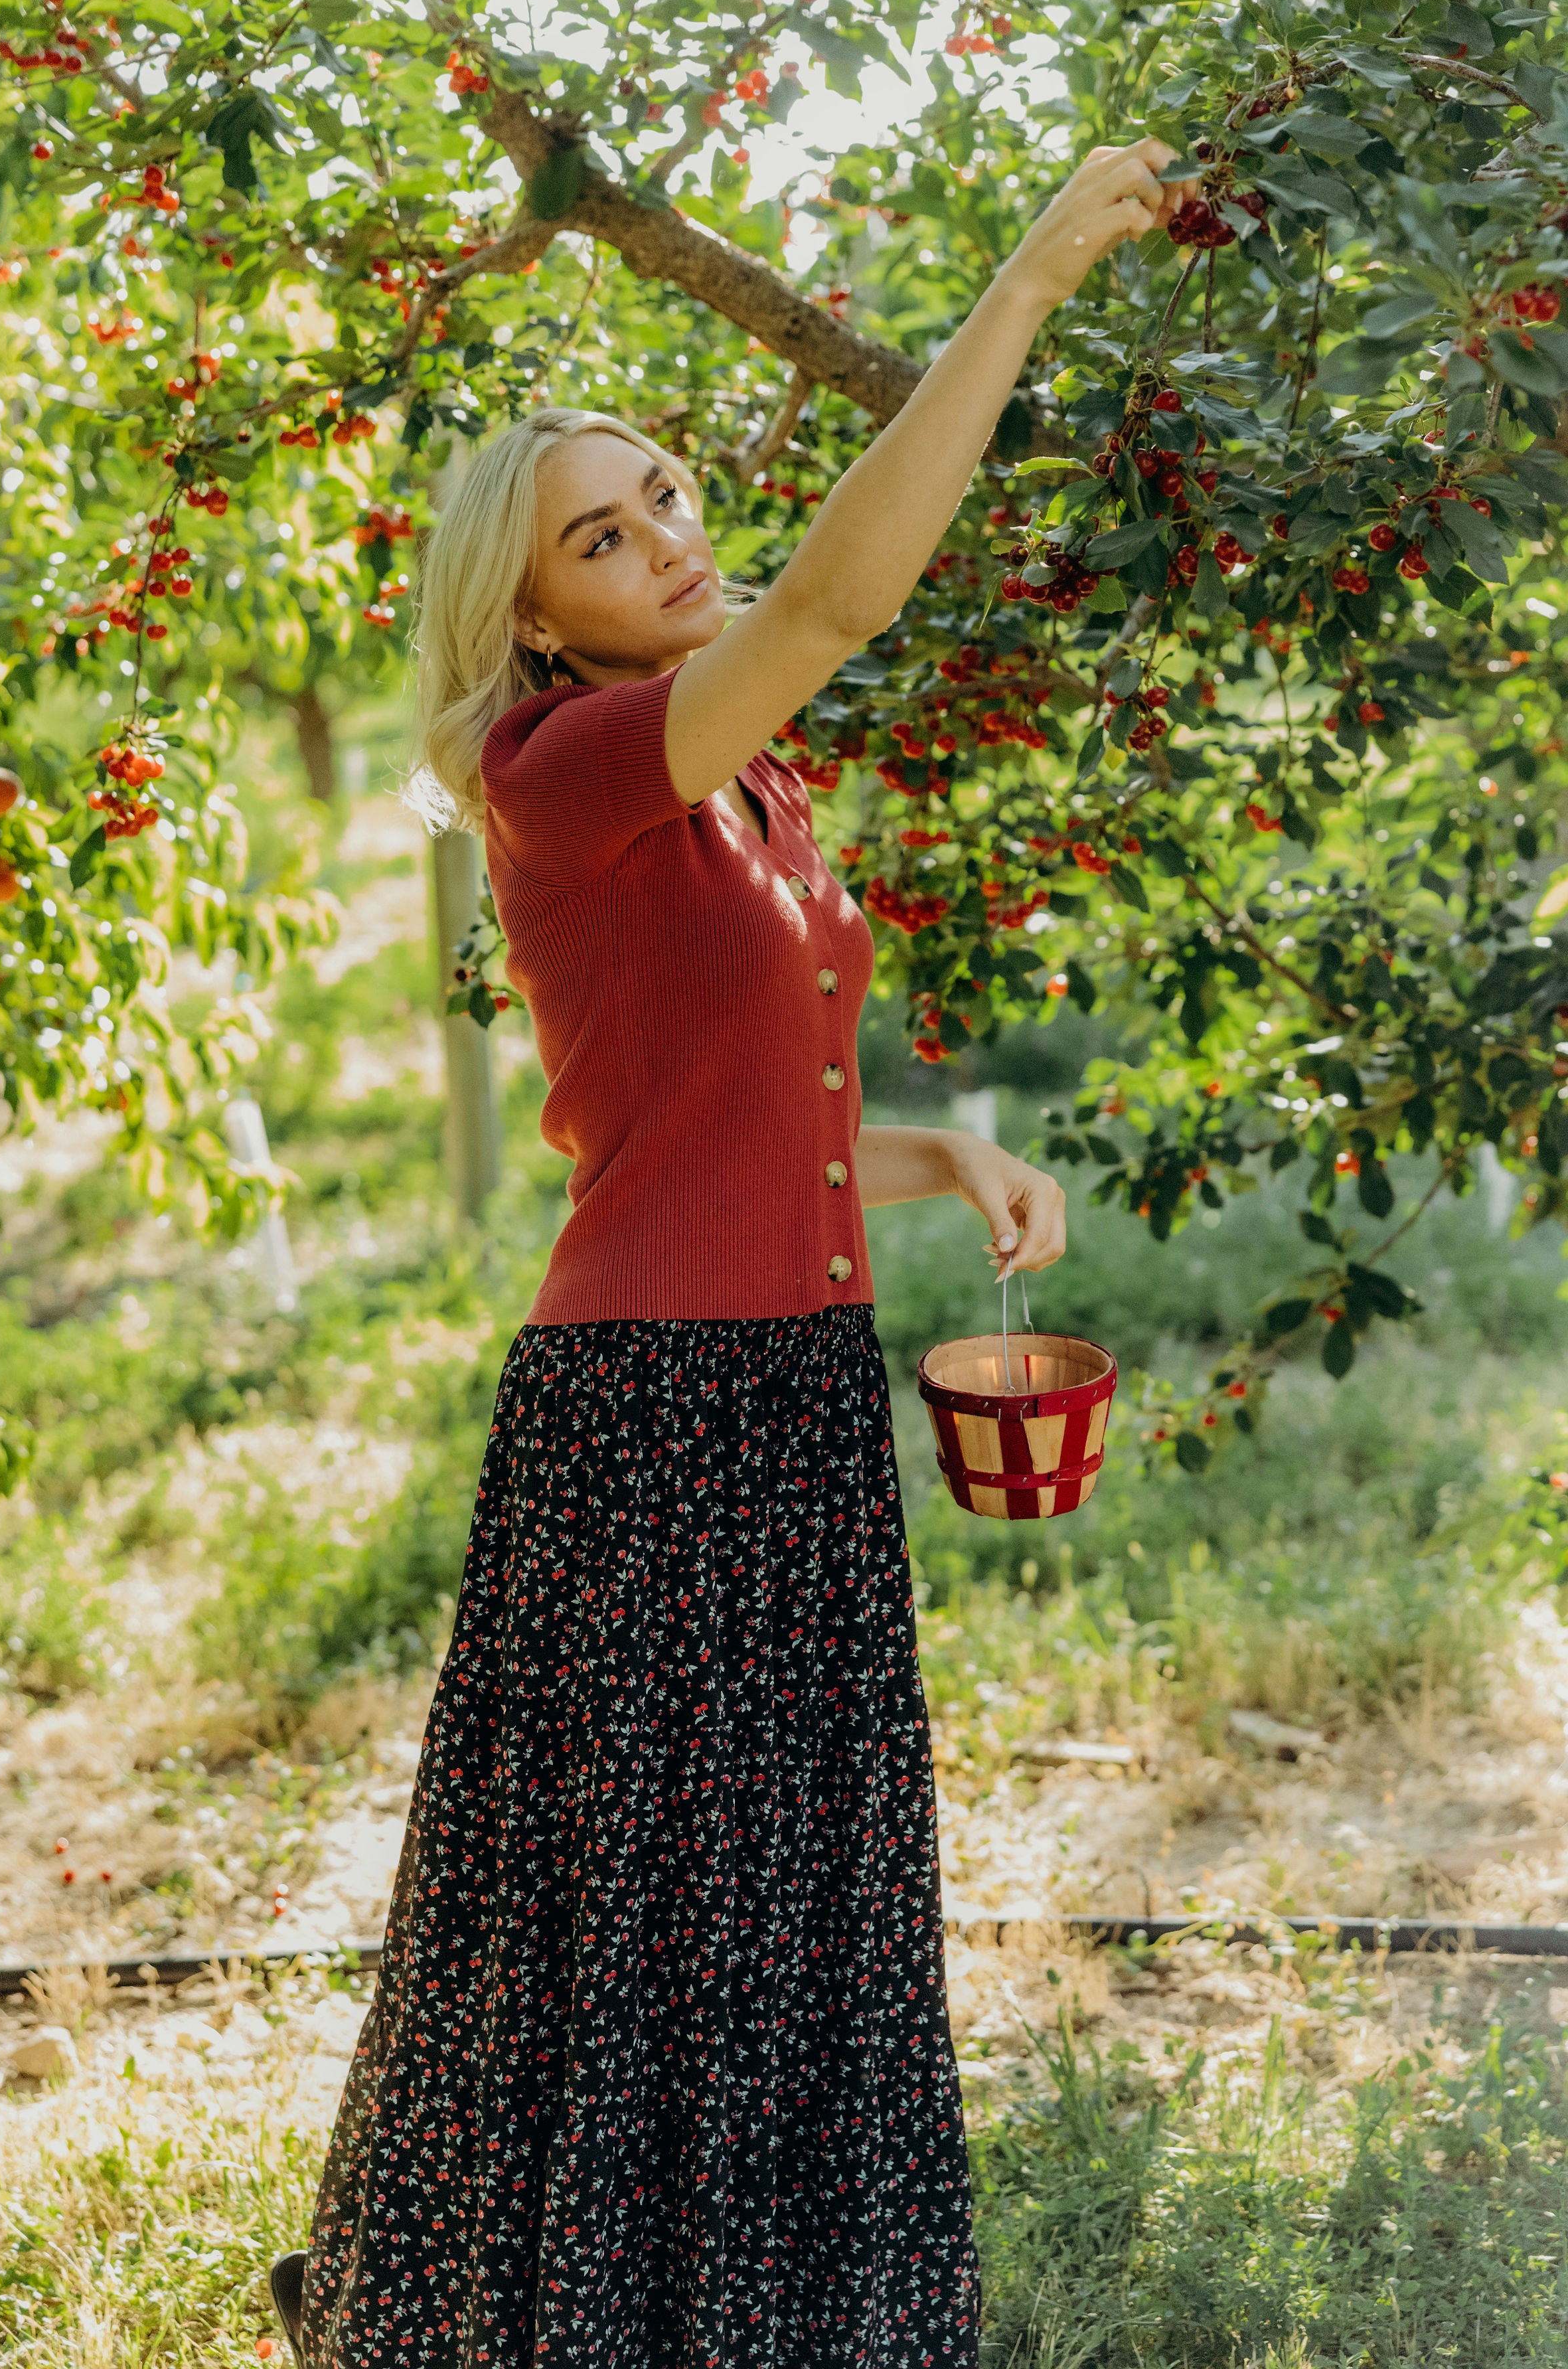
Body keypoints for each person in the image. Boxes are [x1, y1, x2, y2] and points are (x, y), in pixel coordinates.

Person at [272, 135, 1198, 2369]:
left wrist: (934, 1158)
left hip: (785, 1384)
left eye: (668, 493)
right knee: (644, 1918)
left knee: (770, 1906)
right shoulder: (568, 769)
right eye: (605, 534)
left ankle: (763, 2313)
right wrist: (1040, 262)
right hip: (650, 1411)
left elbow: (698, 1110)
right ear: (535, 616)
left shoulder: (746, 796)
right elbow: (839, 605)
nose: (668, 539)